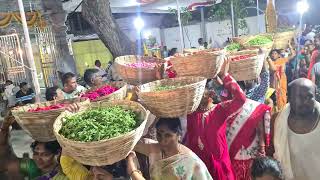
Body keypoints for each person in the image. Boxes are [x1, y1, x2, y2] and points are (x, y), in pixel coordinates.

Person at [185, 58, 246, 179]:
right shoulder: (190, 111)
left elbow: (241, 99)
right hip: (198, 170)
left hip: (220, 170)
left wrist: (225, 75)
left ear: (211, 95)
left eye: (200, 94)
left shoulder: (220, 110)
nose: (196, 98)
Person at [135, 118, 213, 180]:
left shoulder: (192, 162)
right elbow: (130, 143)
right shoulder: (154, 149)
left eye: (168, 135)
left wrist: (132, 171)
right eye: (159, 134)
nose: (162, 140)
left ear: (179, 135)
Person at [274, 78, 320, 179]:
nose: (304, 101)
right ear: (289, 98)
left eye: (309, 96)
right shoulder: (277, 121)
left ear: (316, 96)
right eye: (299, 97)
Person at [0, 114, 68, 179]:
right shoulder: (31, 166)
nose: (38, 158)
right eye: (36, 153)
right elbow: (5, 160)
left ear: (57, 154)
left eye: (45, 154)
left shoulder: (66, 169)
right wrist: (4, 128)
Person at [226, 98, 271, 180]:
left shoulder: (253, 107)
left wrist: (262, 148)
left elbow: (260, 129)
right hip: (234, 153)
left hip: (251, 152)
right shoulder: (226, 107)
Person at [268, 45, 296, 112]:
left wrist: (289, 46)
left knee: (282, 96)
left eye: (275, 53)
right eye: (272, 54)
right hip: (273, 84)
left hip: (282, 83)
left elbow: (293, 54)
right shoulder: (269, 62)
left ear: (278, 55)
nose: (273, 55)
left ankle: (282, 111)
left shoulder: (282, 60)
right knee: (274, 99)